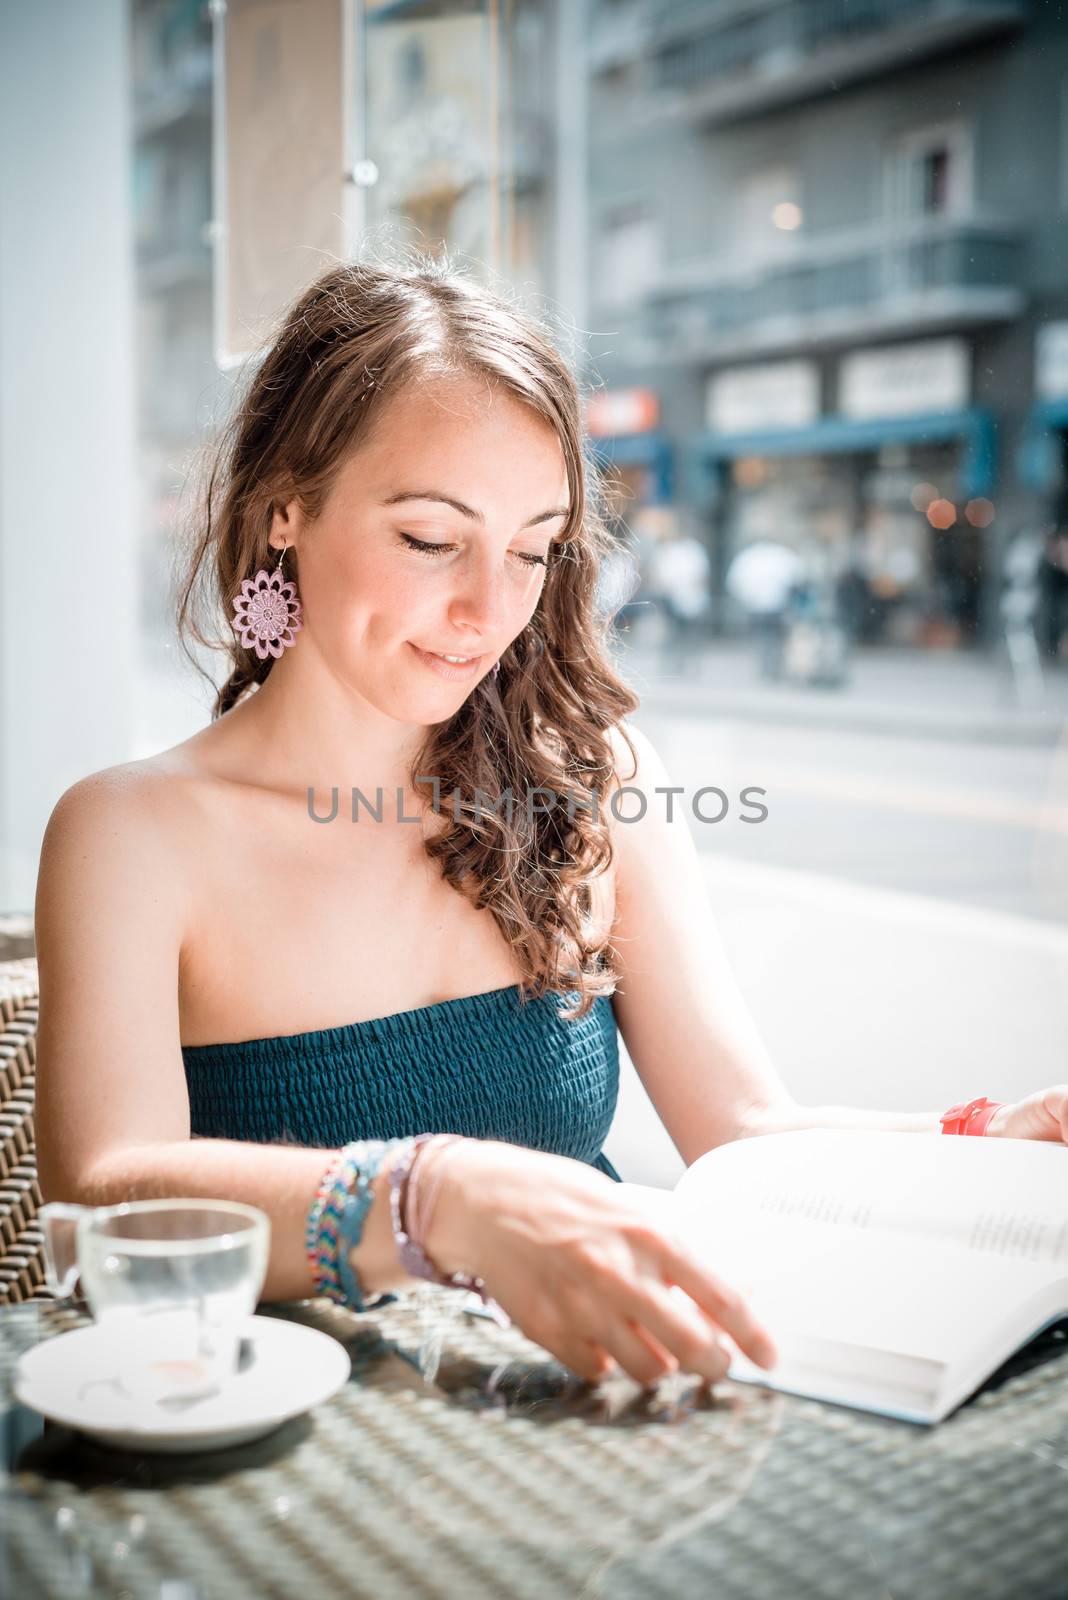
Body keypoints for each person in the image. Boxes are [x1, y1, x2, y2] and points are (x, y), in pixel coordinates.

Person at [34, 257, 1068, 1393]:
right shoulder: (132, 834)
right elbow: (99, 1195)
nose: (490, 609)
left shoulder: (593, 780)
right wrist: (432, 1197)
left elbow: (745, 1133)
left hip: (592, 1419)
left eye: (534, 548)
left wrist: (983, 1138)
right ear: (287, 505)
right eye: (433, 538)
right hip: (289, 1458)